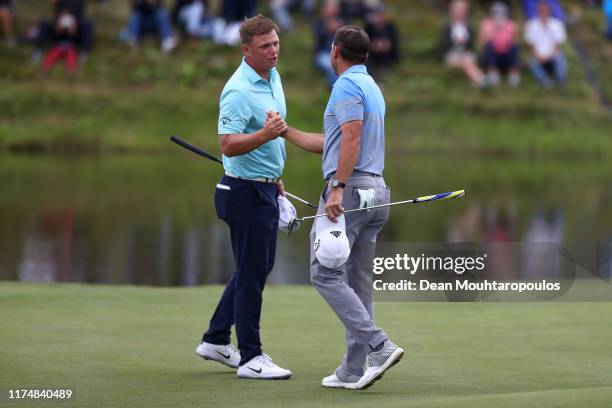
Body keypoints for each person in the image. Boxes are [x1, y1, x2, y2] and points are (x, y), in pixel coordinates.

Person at [281, 25, 403, 390]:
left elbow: (351, 138)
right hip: (376, 192)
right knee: (357, 281)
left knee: (324, 274)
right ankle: (353, 368)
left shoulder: (346, 86)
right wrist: (285, 132)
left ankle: (378, 345)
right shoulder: (371, 86)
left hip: (349, 195)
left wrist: (336, 187)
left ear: (335, 51)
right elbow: (334, 141)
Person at [195, 15, 293, 380]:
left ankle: (216, 339)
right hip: (243, 192)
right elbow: (228, 144)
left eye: (276, 43)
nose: (273, 51)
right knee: (252, 274)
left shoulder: (274, 77)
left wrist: (274, 176)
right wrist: (266, 137)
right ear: (246, 50)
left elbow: (265, 135)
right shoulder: (238, 91)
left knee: (256, 268)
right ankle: (251, 357)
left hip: (265, 186)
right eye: (265, 46)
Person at [440, 0, 486, 87]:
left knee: (467, 59)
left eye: (462, 10)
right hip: (451, 55)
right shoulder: (447, 27)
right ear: (452, 10)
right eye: (458, 9)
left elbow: (472, 45)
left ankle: (478, 81)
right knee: (464, 61)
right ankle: (481, 80)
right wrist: (454, 42)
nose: (460, 12)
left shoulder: (469, 27)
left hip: (467, 54)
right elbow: (443, 45)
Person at [524, 1, 567, 88]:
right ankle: (545, 81)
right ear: (538, 12)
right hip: (538, 55)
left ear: (549, 12)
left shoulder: (557, 24)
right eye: (541, 11)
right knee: (532, 62)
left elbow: (558, 44)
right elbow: (530, 44)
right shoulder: (531, 25)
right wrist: (537, 55)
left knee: (560, 58)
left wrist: (550, 55)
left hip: (552, 54)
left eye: (545, 11)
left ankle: (561, 79)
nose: (544, 14)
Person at [479, 1, 520, 87]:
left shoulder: (511, 24)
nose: (499, 15)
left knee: (514, 46)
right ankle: (493, 73)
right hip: (492, 57)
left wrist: (506, 31)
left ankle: (513, 74)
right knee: (489, 45)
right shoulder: (486, 23)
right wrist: (494, 29)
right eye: (496, 12)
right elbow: (482, 41)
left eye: (501, 12)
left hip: (506, 55)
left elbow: (515, 40)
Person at [313, 2, 343, 87]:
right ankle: (334, 87)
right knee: (332, 64)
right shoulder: (319, 22)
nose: (332, 10)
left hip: (340, 53)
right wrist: (327, 30)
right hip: (323, 54)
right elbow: (317, 39)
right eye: (330, 7)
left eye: (334, 7)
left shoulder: (342, 21)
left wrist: (340, 30)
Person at [364, 5, 399, 77]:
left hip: (387, 51)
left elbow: (394, 40)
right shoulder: (369, 27)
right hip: (372, 51)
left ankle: (386, 69)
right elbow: (365, 39)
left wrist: (387, 44)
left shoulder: (390, 26)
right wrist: (373, 45)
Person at [41, 10, 79, 76]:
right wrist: (59, 26)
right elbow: (56, 34)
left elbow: (74, 36)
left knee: (71, 57)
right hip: (59, 46)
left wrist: (72, 28)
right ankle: (44, 71)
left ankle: (71, 73)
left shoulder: (74, 27)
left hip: (69, 47)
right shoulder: (57, 26)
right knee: (51, 56)